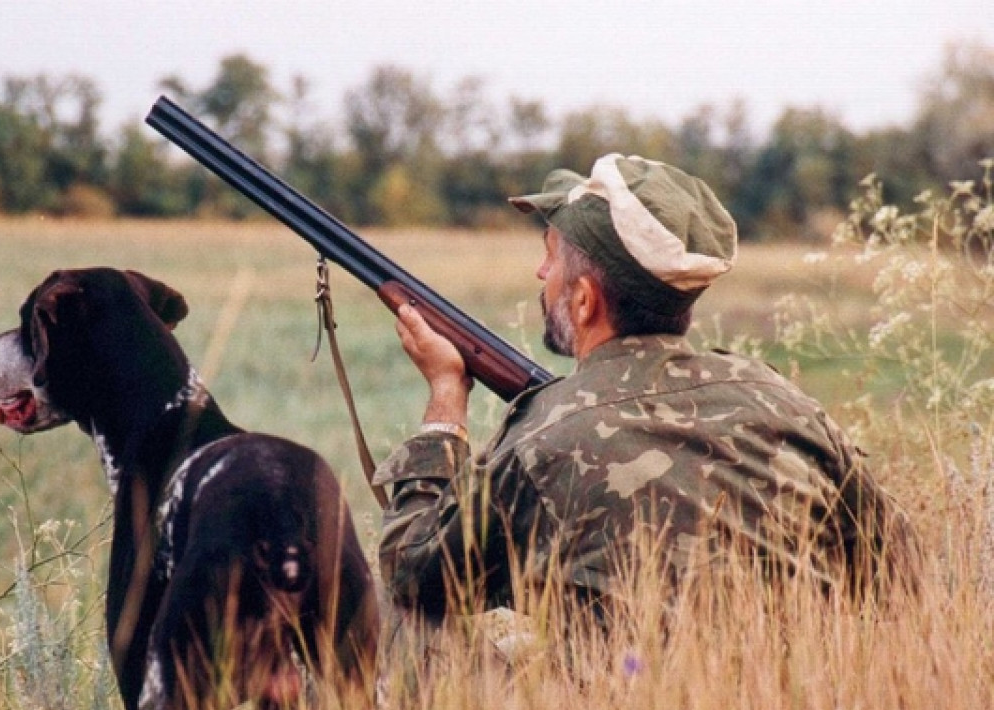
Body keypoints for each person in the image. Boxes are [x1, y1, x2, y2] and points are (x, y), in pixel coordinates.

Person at [374, 153, 914, 632]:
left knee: (409, 633)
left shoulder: (541, 441)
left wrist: (447, 395)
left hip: (612, 697)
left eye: (551, 256)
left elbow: (412, 575)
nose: (541, 272)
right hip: (797, 696)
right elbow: (900, 574)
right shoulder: (788, 404)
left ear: (584, 301)